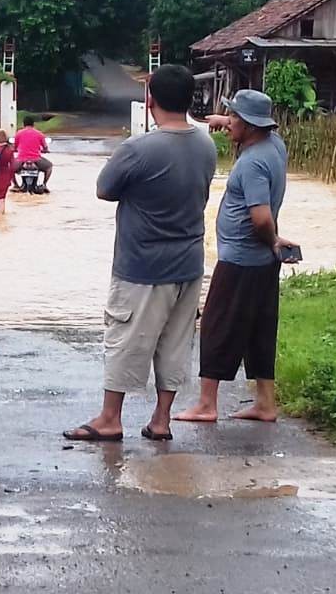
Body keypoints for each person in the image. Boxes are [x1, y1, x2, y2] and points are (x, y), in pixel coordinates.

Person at [63, 64, 217, 443]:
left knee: (125, 338)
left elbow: (105, 189)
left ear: (150, 102)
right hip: (189, 263)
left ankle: (110, 418)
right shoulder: (206, 145)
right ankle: (161, 420)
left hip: (142, 266)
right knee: (175, 342)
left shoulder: (138, 148)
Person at [176, 89, 299, 424]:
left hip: (241, 259)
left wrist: (272, 238)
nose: (226, 123)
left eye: (233, 118)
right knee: (260, 328)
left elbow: (259, 216)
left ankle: (206, 404)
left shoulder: (252, 163)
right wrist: (222, 120)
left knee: (217, 326)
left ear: (249, 125)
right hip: (261, 263)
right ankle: (265, 403)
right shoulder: (275, 144)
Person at [13, 115, 53, 194]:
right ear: (33, 124)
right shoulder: (39, 134)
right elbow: (45, 147)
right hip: (36, 159)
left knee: (9, 168)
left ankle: (16, 185)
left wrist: (15, 150)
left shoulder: (18, 133)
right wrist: (45, 150)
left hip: (21, 160)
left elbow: (15, 147)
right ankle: (44, 184)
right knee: (49, 167)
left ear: (23, 124)